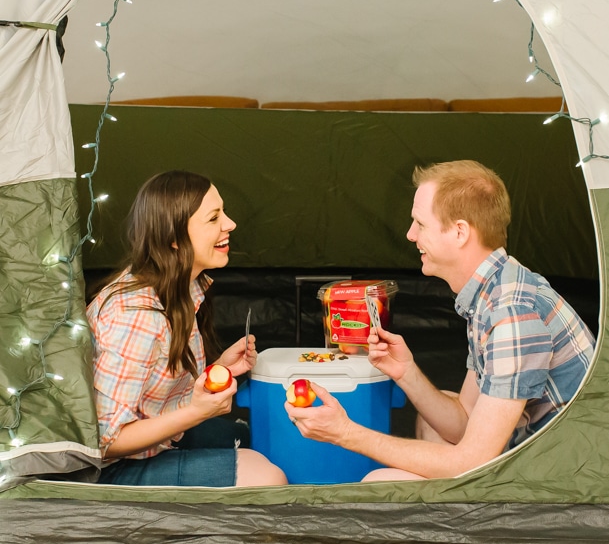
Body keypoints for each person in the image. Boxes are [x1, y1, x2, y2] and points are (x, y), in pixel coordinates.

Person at [285, 160, 596, 481]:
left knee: (379, 484)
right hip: (539, 455)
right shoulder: (494, 289)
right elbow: (463, 421)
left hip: (567, 481)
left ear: (459, 232)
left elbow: (471, 461)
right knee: (438, 414)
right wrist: (406, 372)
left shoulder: (512, 316)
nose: (409, 235)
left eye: (420, 223)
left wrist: (346, 433)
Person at [87, 170, 287, 487]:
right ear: (175, 239)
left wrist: (219, 369)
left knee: (267, 439)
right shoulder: (135, 316)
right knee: (267, 477)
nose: (230, 224)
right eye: (213, 218)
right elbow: (104, 441)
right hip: (109, 471)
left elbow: (152, 394)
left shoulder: (181, 288)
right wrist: (196, 412)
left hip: (160, 440)